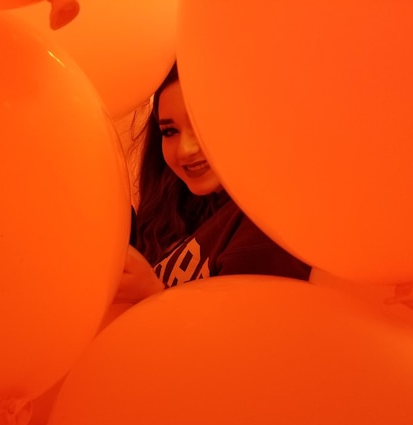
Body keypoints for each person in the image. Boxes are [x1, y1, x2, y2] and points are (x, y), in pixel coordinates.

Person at [114, 63, 311, 305]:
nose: (185, 149)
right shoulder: (179, 212)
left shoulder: (270, 226)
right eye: (170, 131)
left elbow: (252, 336)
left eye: (201, 122)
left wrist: (153, 296)